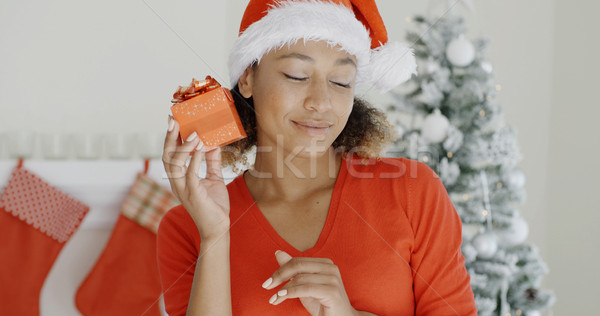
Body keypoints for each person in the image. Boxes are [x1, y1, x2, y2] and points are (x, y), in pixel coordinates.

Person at [158, 0, 477, 315]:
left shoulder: (413, 192)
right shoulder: (188, 227)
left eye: (341, 81)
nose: (321, 102)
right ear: (247, 78)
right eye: (297, 75)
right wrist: (215, 236)